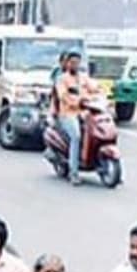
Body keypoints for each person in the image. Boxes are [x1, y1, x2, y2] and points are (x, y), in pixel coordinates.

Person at [54, 51, 92, 185]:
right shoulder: (62, 79)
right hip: (68, 114)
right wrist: (76, 102)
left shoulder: (84, 78)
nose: (75, 65)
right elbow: (63, 96)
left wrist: (104, 97)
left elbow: (95, 89)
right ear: (68, 63)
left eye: (77, 63)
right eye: (72, 62)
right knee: (76, 136)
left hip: (85, 112)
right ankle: (73, 173)